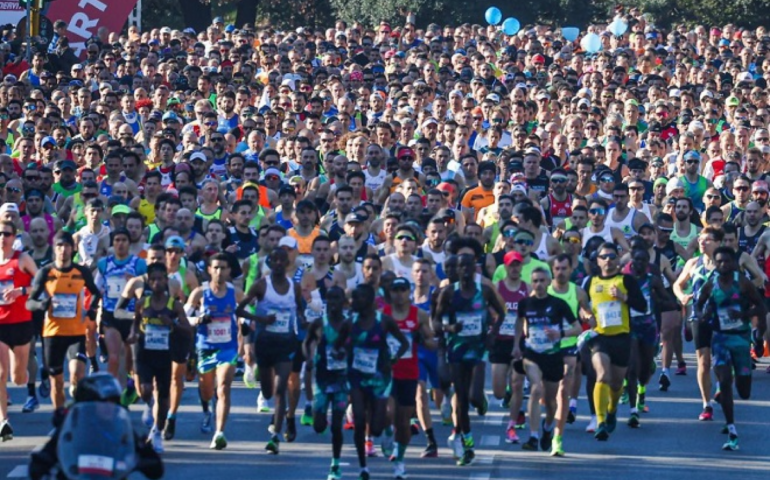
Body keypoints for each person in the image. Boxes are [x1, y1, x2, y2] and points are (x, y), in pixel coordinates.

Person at [433, 251, 505, 466]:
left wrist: (492, 333)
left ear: (475, 267)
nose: (464, 270)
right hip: (457, 350)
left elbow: (501, 313)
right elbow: (436, 323)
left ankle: (478, 405)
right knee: (462, 399)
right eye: (460, 266)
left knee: (474, 396)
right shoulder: (448, 293)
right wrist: (449, 328)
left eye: (468, 265)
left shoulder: (483, 291)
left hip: (479, 349)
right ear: (456, 270)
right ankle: (467, 442)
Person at [695, 246, 766, 451]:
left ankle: (741, 380)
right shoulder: (710, 285)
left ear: (733, 263)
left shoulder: (741, 283)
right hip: (721, 339)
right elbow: (698, 306)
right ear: (715, 264)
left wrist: (744, 316)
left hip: (740, 339)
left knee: (744, 391)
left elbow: (760, 306)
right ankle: (731, 428)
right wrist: (703, 316)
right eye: (720, 262)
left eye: (727, 261)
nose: (723, 265)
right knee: (724, 381)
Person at [235, 247, 304, 453]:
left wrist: (302, 319)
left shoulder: (295, 287)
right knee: (267, 390)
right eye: (275, 260)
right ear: (270, 263)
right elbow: (240, 310)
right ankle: (277, 418)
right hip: (265, 343)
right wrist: (261, 319)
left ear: (288, 263)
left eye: (283, 260)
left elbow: (300, 311)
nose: (279, 264)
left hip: (286, 343)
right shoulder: (261, 286)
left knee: (281, 387)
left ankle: (275, 434)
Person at [26, 231, 101, 412]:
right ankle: (59, 418)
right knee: (57, 383)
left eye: (66, 246)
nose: (63, 250)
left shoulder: (81, 271)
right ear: (54, 248)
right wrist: (41, 304)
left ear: (72, 248)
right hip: (53, 333)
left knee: (77, 375)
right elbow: (30, 303)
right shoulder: (46, 272)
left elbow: (96, 292)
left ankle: (77, 412)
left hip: (76, 332)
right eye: (59, 246)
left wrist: (91, 310)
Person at [514, 267, 580, 456]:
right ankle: (533, 436)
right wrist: (516, 345)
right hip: (532, 354)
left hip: (552, 356)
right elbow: (519, 322)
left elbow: (576, 327)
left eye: (543, 281)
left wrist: (560, 334)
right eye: (535, 281)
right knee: (536, 389)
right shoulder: (525, 303)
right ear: (531, 283)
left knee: (551, 401)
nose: (539, 285)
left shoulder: (558, 304)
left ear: (549, 282)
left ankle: (548, 427)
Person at [584, 243, 646, 440]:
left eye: (612, 256)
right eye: (604, 257)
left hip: (622, 337)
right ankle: (600, 421)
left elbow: (642, 306)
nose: (608, 260)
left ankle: (611, 410)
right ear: (597, 260)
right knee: (602, 375)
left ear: (618, 259)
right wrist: (585, 315)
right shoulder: (590, 282)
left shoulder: (625, 280)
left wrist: (623, 297)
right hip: (599, 337)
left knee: (617, 383)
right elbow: (581, 305)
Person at [128, 262, 190, 453]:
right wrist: (133, 335)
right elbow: (136, 323)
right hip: (144, 352)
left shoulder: (174, 305)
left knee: (164, 398)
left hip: (164, 355)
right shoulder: (142, 303)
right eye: (152, 279)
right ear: (148, 281)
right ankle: (149, 404)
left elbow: (187, 330)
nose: (156, 283)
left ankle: (156, 431)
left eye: (160, 279)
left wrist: (171, 323)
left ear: (166, 281)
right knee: (144, 390)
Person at [185, 253, 245, 450]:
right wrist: (198, 320)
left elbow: (247, 313)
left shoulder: (235, 293)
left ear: (229, 271)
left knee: (224, 388)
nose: (219, 272)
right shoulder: (199, 293)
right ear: (209, 270)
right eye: (216, 268)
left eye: (224, 268)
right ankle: (208, 408)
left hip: (228, 348)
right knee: (207, 390)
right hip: (205, 347)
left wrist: (246, 326)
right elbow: (184, 318)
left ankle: (219, 433)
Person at [382, 277, 435, 478]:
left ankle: (400, 461)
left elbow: (430, 341)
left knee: (404, 421)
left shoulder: (419, 315)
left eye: (403, 290)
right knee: (388, 412)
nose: (399, 294)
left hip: (409, 372)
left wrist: (425, 338)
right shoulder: (383, 315)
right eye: (395, 290)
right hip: (387, 371)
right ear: (391, 293)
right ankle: (387, 432)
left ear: (408, 292)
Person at [673, 227, 724, 420]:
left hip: (722, 317)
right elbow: (677, 284)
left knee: (721, 358)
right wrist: (682, 297)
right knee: (703, 360)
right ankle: (706, 403)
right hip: (698, 316)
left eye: (708, 239)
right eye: (701, 240)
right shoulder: (693, 263)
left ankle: (721, 386)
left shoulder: (725, 264)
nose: (702, 243)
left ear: (718, 243)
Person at [303, 286, 350, 480]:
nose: (333, 303)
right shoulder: (318, 323)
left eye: (336, 299)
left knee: (337, 425)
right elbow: (306, 343)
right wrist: (308, 359)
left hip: (342, 380)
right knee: (319, 426)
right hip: (322, 380)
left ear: (343, 302)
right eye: (329, 299)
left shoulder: (349, 325)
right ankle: (319, 413)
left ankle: (335, 464)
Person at [0, 220, 37, 439]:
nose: (2, 237)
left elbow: (42, 282)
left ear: (14, 237)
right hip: (1, 325)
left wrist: (21, 291)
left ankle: (26, 372)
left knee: (18, 378)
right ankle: (4, 420)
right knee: (1, 374)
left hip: (21, 323)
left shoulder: (22, 259)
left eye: (6, 233)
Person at [491, 250, 528, 444]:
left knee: (517, 384)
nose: (514, 268)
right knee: (498, 391)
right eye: (511, 265)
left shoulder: (526, 289)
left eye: (518, 264)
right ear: (505, 267)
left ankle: (511, 426)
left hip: (518, 342)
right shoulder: (497, 288)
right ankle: (508, 397)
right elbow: (490, 312)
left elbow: (528, 316)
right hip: (499, 342)